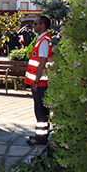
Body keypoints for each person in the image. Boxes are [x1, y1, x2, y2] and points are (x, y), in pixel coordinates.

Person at [24, 16, 53, 145]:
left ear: (43, 25)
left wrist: (36, 82)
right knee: (41, 109)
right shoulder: (42, 39)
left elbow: (42, 63)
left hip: (40, 83)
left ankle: (41, 137)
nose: (33, 26)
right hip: (39, 82)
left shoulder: (44, 41)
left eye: (35, 24)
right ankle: (41, 134)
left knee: (40, 111)